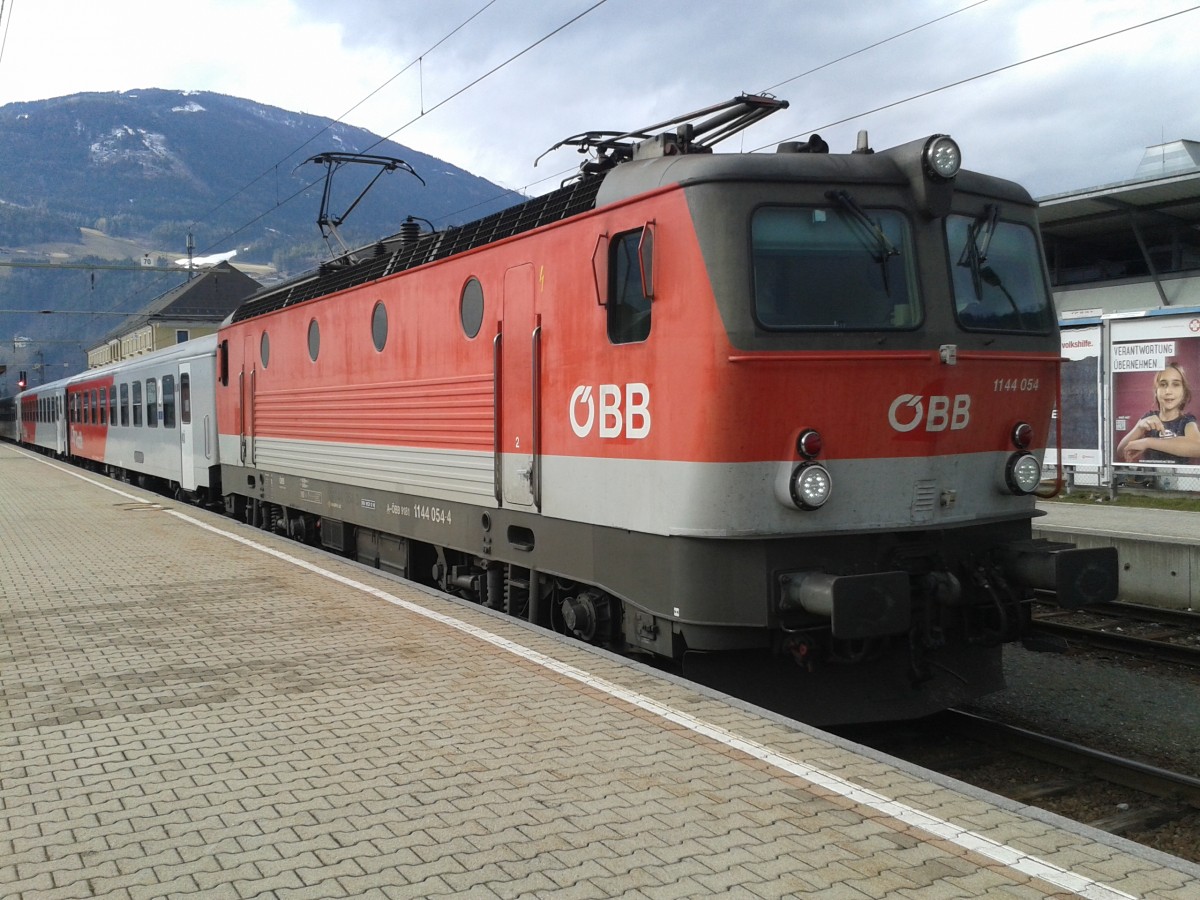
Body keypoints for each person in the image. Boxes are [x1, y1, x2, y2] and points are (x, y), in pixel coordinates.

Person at [1116, 362, 1200, 464]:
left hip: (1178, 478)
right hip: (1150, 478)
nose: (1168, 391)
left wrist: (1148, 442)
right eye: (1163, 384)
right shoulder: (1148, 419)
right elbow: (1121, 452)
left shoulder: (1187, 421)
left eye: (1176, 384)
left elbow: (1197, 448)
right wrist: (1139, 428)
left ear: (1184, 392)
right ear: (1156, 391)